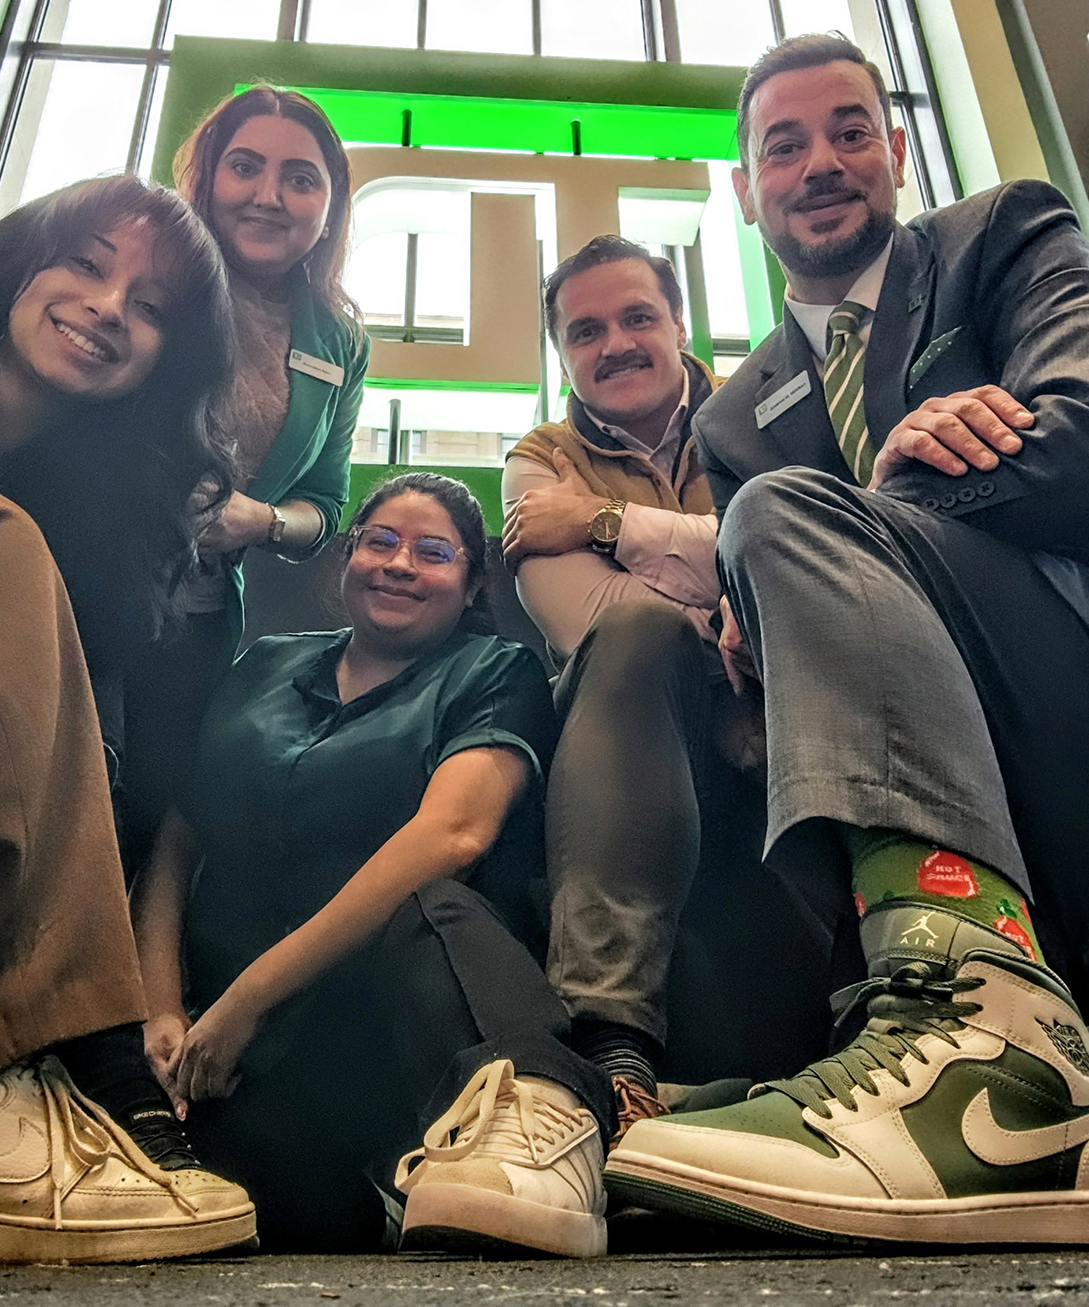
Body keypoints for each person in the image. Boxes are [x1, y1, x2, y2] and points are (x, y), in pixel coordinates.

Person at [605, 33, 1089, 1244]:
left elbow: (1082, 434)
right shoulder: (732, 410)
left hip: (1056, 672)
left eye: (849, 131)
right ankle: (842, 1040)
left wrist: (869, 509)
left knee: (779, 517)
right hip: (892, 740)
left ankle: (1000, 1051)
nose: (820, 163)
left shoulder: (1001, 238)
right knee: (670, 657)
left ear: (900, 150)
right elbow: (783, 591)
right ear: (743, 188)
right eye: (784, 144)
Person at [0, 177, 255, 1260]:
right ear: (20, 267)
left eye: (149, 308)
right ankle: (31, 1077)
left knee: (86, 736)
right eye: (89, 264)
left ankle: (29, 1074)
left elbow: (75, 740)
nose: (110, 306)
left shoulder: (88, 506)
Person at [131, 473, 616, 1257]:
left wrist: (248, 996)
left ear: (468, 587)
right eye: (380, 542)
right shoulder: (260, 665)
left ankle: (545, 1120)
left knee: (434, 905)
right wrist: (162, 1009)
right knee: (291, 1228)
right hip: (238, 1057)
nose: (399, 564)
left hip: (392, 1026)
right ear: (346, 558)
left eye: (433, 553)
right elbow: (179, 842)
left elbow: (453, 834)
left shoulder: (497, 670)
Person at [500, 237, 830, 1133]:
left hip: (790, 714)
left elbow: (817, 565)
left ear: (679, 324)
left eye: (638, 316)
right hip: (634, 724)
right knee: (639, 631)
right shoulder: (539, 461)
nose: (615, 344)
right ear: (562, 353)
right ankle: (611, 1047)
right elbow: (592, 617)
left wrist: (608, 520)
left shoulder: (762, 410)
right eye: (585, 331)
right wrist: (729, 581)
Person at [119, 86, 372, 865]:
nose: (269, 195)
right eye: (245, 167)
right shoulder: (145, 267)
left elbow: (326, 505)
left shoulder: (340, 339)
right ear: (206, 178)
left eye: (300, 178)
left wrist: (258, 519)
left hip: (197, 621)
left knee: (143, 822)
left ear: (328, 207)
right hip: (80, 579)